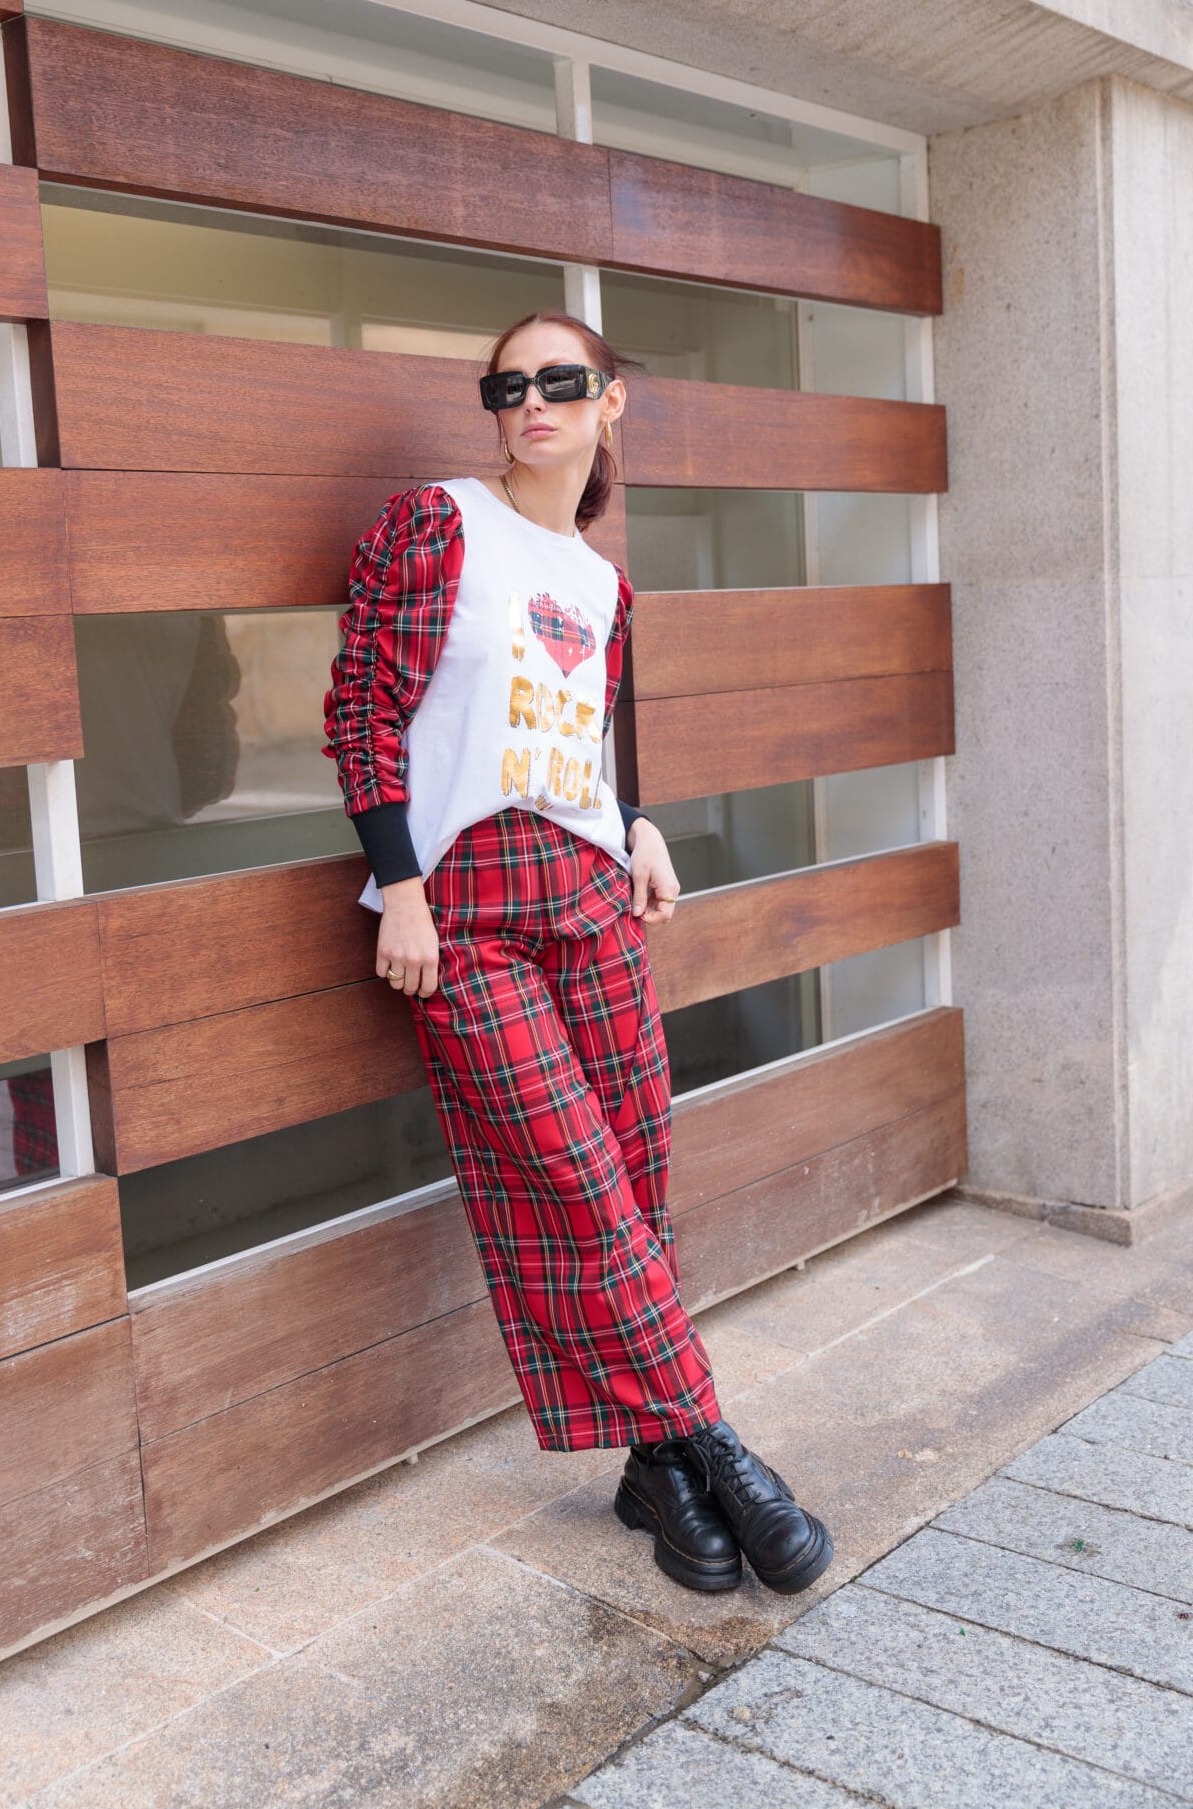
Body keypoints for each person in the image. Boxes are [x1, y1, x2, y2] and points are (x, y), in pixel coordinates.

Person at [322, 310, 833, 1598]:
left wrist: (637, 824)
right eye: (508, 387)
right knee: (576, 1182)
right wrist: (400, 890)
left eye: (561, 382)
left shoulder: (603, 583)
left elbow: (574, 742)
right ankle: (713, 1442)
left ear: (610, 402)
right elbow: (363, 712)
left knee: (634, 1175)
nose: (531, 404)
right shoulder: (435, 524)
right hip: (468, 905)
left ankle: (654, 1470)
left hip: (593, 896)